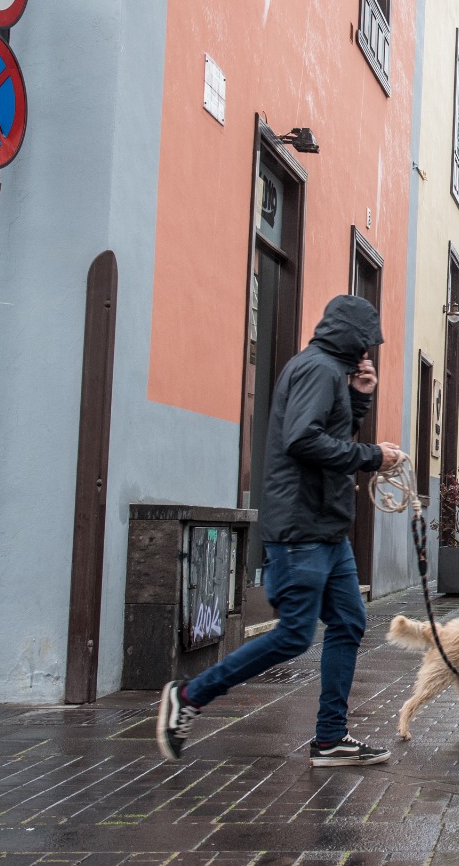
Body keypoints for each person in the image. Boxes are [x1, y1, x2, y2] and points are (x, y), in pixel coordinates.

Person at [156, 295, 403, 767]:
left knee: (348, 623)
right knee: (293, 635)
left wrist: (359, 399)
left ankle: (330, 739)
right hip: (300, 529)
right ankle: (188, 695)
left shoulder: (333, 373)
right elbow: (303, 440)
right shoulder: (318, 370)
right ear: (353, 337)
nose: (370, 352)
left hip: (327, 529)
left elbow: (329, 433)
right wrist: (373, 457)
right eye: (368, 343)